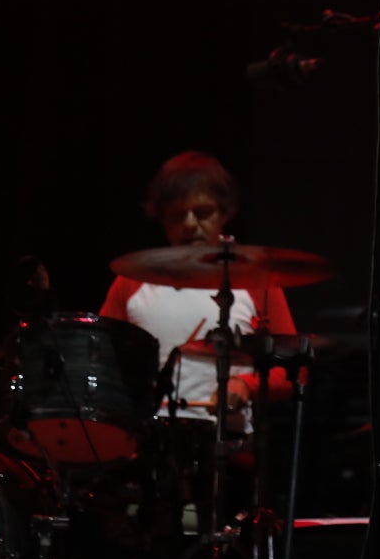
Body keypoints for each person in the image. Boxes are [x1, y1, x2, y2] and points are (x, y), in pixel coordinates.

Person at [100, 151, 296, 431]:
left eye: (203, 213)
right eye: (178, 215)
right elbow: (100, 362)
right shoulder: (132, 282)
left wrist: (244, 385)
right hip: (146, 443)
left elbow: (293, 370)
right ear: (161, 218)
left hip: (231, 449)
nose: (190, 224)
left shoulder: (256, 282)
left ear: (225, 213)